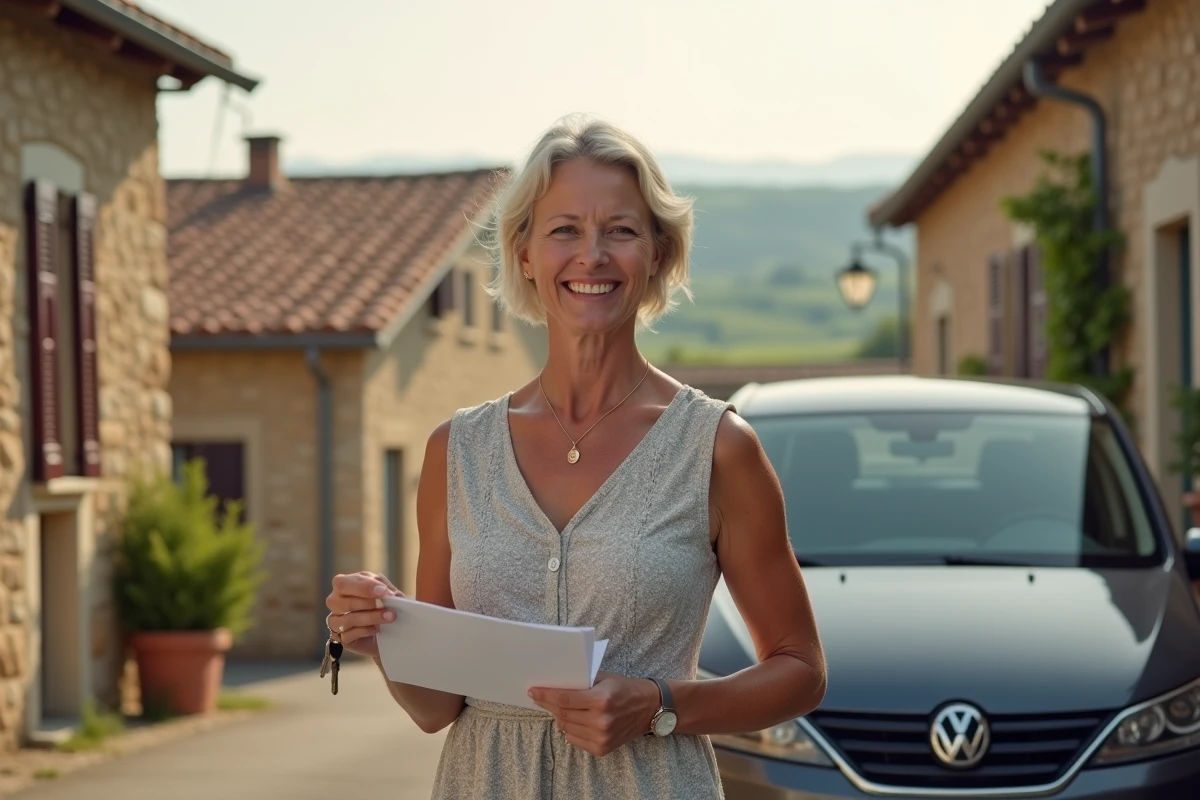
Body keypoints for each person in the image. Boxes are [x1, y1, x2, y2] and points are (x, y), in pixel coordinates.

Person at [324, 115, 826, 799]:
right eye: (564, 230)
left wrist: (659, 704)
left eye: (619, 230)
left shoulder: (719, 448)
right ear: (525, 254)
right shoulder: (456, 452)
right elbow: (435, 708)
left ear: (657, 253)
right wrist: (383, 634)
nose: (591, 255)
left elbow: (800, 669)